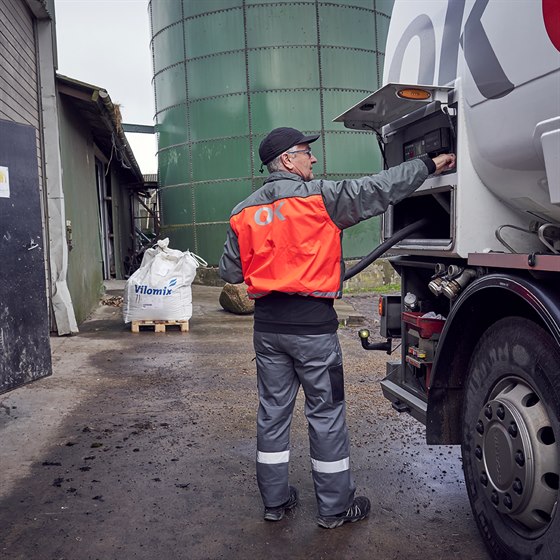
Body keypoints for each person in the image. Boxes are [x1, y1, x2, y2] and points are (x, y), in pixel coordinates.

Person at [219, 126, 456, 529]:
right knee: (325, 416)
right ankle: (333, 509)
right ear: (288, 160)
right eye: (306, 152)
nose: (313, 158)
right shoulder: (323, 199)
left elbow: (230, 271)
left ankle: (275, 503)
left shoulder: (243, 212)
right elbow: (381, 188)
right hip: (313, 332)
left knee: (272, 414)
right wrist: (429, 163)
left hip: (268, 331)